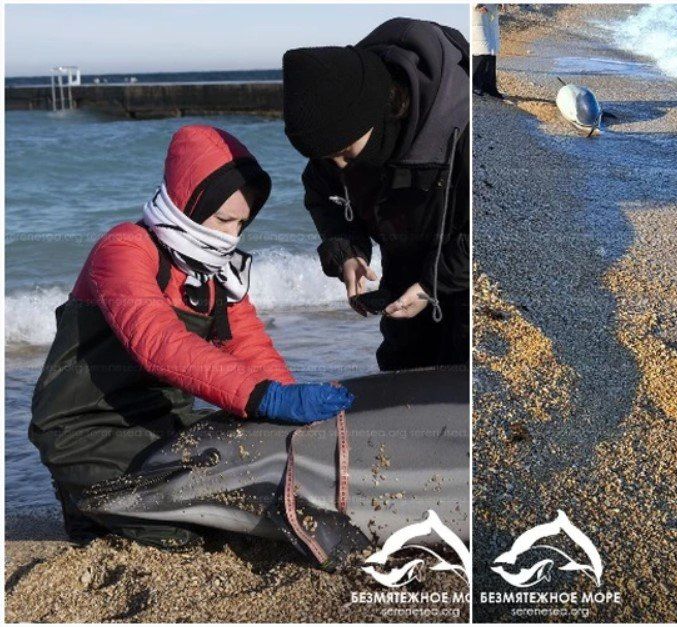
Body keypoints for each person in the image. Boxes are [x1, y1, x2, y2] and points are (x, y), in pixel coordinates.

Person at [29, 125, 353, 548]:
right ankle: (84, 502)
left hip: (162, 422)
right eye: (223, 220)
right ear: (190, 202)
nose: (231, 236)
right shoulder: (124, 248)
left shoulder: (219, 271)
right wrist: (263, 397)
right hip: (85, 427)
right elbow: (158, 343)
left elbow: (247, 344)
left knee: (251, 483)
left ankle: (105, 498)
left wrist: (291, 409)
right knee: (186, 534)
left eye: (242, 223)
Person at [282, 17, 470, 372]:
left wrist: (431, 285)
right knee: (401, 378)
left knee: (458, 380)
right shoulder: (335, 138)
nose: (339, 165)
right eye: (327, 157)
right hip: (402, 284)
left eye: (346, 152)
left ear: (379, 114)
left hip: (468, 287)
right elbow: (321, 194)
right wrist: (347, 251)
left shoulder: (464, 129)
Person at [472, 4, 503, 98]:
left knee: (491, 51)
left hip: (491, 13)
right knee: (480, 49)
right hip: (479, 14)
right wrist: (477, 5)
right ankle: (475, 85)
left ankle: (489, 86)